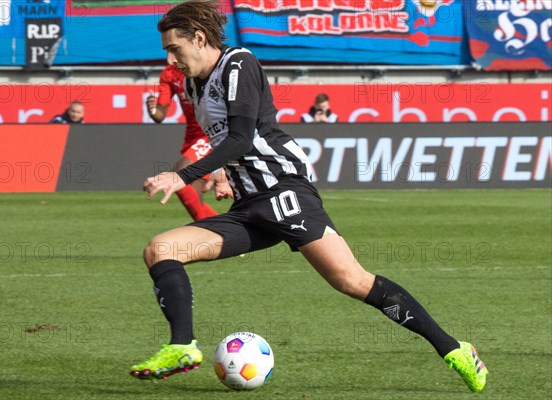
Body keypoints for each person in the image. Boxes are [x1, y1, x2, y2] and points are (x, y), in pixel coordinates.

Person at [131, 0, 488, 393]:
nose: (170, 57)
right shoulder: (193, 83)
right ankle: (182, 347)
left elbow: (241, 136)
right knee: (160, 249)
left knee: (352, 281)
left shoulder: (238, 64)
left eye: (174, 48)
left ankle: (455, 349)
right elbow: (224, 140)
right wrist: (221, 174)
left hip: (283, 191)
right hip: (248, 205)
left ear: (199, 39)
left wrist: (182, 176)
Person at [145, 64, 218, 221]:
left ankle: (212, 234)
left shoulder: (206, 65)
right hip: (192, 138)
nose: (171, 53)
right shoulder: (169, 74)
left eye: (174, 47)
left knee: (178, 175)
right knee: (194, 197)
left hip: (211, 134)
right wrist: (152, 109)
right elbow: (160, 115)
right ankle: (222, 233)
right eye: (169, 49)